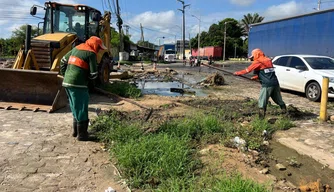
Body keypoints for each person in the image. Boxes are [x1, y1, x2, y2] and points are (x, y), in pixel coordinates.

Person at [59, 36, 107, 141]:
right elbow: (94, 74)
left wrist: (66, 74)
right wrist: (89, 82)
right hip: (78, 84)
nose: (99, 50)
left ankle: (76, 131)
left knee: (74, 106)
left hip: (67, 83)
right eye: (98, 47)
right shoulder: (91, 53)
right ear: (94, 45)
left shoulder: (76, 48)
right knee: (82, 108)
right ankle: (82, 135)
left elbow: (62, 61)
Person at [233, 48, 287, 119]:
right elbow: (267, 72)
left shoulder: (258, 61)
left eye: (253, 57)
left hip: (267, 85)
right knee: (278, 100)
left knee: (262, 101)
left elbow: (247, 70)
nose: (252, 59)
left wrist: (237, 73)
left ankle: (261, 119)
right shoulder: (268, 60)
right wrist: (256, 77)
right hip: (275, 83)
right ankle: (285, 114)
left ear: (256, 55)